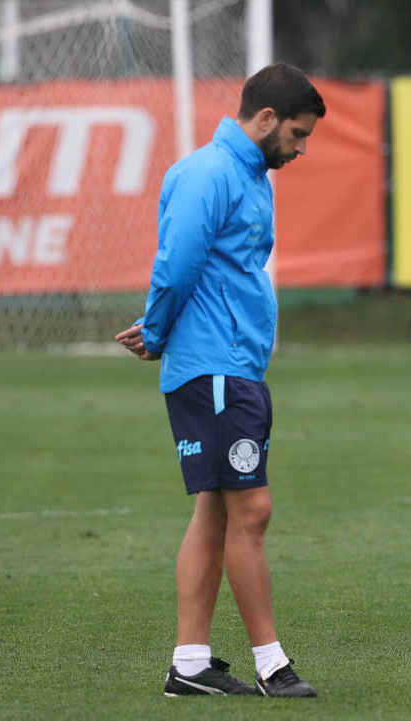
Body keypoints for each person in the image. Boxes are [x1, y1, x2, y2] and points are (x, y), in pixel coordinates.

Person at [114, 63, 324, 698]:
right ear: (266, 119)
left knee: (216, 510)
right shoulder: (209, 173)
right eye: (297, 133)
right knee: (251, 511)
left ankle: (190, 664)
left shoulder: (250, 175)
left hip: (234, 368)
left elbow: (217, 270)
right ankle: (271, 664)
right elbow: (176, 262)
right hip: (214, 369)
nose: (301, 148)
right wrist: (156, 330)